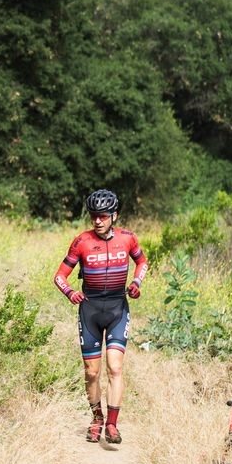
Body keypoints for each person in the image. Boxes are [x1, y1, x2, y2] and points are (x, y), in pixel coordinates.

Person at [53, 189, 148, 444]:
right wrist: (70, 292)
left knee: (115, 368)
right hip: (90, 310)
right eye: (94, 216)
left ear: (113, 216)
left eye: (103, 216)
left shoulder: (128, 239)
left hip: (117, 308)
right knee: (92, 373)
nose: (97, 221)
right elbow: (59, 276)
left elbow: (142, 262)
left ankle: (112, 425)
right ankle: (96, 418)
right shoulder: (81, 241)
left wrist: (137, 282)